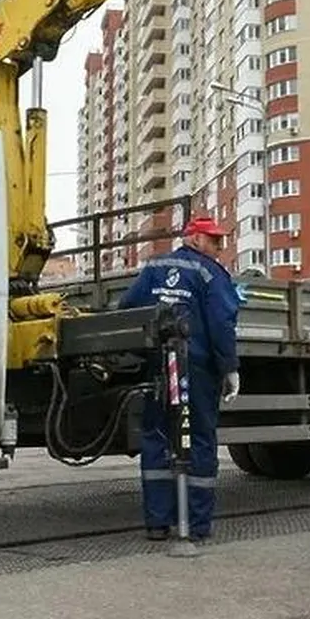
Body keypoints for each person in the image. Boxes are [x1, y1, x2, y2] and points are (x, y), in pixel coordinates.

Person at [118, 215, 241, 544]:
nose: (219, 246)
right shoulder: (210, 273)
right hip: (196, 369)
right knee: (199, 438)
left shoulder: (155, 266)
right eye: (214, 240)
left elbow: (128, 306)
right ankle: (197, 525)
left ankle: (157, 523)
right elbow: (221, 323)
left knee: (157, 437)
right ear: (196, 238)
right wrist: (229, 367)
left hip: (158, 367)